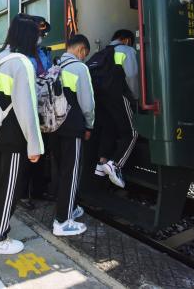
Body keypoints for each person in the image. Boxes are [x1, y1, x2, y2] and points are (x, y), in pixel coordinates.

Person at [0, 14, 44, 255]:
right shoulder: (22, 63)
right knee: (8, 186)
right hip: (11, 135)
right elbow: (25, 107)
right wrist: (34, 145)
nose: (38, 40)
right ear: (29, 36)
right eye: (37, 35)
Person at [51, 34, 95, 236]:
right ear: (81, 50)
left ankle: (70, 207)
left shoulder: (54, 67)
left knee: (61, 170)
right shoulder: (79, 68)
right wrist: (89, 125)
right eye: (84, 54)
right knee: (72, 172)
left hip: (54, 127)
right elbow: (87, 103)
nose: (84, 57)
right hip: (72, 128)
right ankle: (63, 221)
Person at [93, 29, 139, 188]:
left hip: (101, 99)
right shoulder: (127, 50)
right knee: (132, 132)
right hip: (119, 96)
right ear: (126, 40)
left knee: (109, 129)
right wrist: (136, 98)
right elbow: (132, 76)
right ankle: (116, 165)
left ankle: (101, 164)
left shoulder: (101, 53)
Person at [21, 15, 52, 209]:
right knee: (27, 154)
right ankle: (23, 195)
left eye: (44, 32)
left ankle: (39, 191)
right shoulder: (21, 55)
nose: (42, 36)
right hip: (28, 107)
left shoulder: (42, 53)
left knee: (42, 150)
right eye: (40, 32)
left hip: (44, 108)